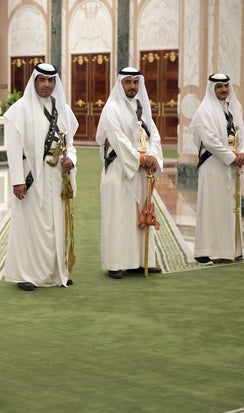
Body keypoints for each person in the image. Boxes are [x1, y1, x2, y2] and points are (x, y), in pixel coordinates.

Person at [2, 63, 78, 291]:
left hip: (56, 178)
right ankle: (26, 274)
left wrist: (71, 159)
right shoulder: (19, 110)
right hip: (30, 178)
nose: (47, 85)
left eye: (51, 80)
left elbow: (70, 143)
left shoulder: (63, 108)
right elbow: (13, 148)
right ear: (34, 81)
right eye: (42, 80)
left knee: (55, 225)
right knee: (30, 225)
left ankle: (55, 272)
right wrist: (17, 180)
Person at [96, 67, 163, 279]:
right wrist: (141, 158)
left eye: (135, 82)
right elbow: (117, 139)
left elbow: (154, 135)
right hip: (118, 170)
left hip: (141, 172)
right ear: (120, 84)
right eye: (128, 82)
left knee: (138, 216)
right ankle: (115, 264)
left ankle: (139, 262)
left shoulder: (142, 106)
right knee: (119, 216)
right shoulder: (112, 108)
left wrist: (152, 155)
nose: (132, 86)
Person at [189, 73, 244, 264]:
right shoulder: (204, 111)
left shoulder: (234, 107)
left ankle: (233, 249)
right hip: (213, 166)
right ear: (212, 89)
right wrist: (232, 157)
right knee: (211, 208)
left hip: (234, 166)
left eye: (226, 86)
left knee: (231, 208)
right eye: (219, 86)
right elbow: (209, 141)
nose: (224, 90)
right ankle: (203, 251)